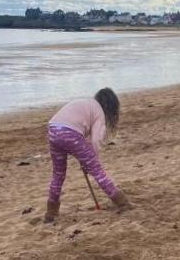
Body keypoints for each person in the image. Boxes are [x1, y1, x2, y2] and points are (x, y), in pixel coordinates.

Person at [44, 87, 130, 222]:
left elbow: (87, 140)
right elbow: (96, 140)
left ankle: (51, 212)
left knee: (58, 174)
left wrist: (86, 160)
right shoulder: (99, 112)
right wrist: (92, 160)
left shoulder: (88, 104)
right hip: (70, 132)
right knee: (97, 171)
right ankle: (122, 203)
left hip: (53, 130)